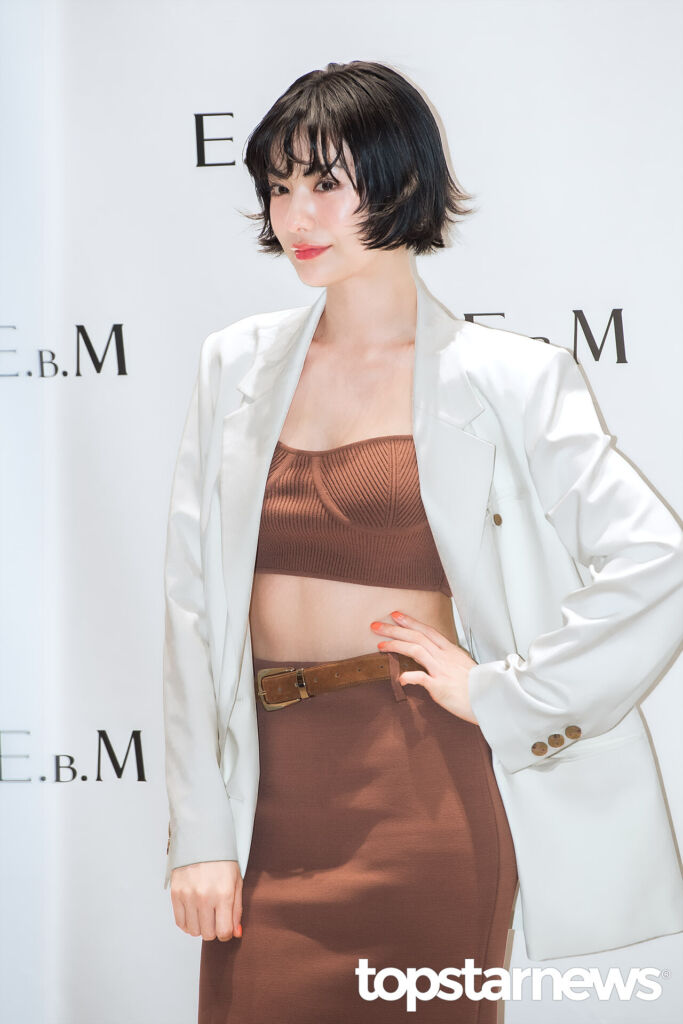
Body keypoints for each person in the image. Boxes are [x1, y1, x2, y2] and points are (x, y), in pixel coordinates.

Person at [162, 61, 683, 1023]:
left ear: (401, 182)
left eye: (325, 182)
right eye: (278, 186)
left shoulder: (510, 378)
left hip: (425, 790)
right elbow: (192, 608)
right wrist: (198, 832)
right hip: (265, 795)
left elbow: (659, 563)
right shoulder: (233, 365)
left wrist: (507, 694)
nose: (295, 215)